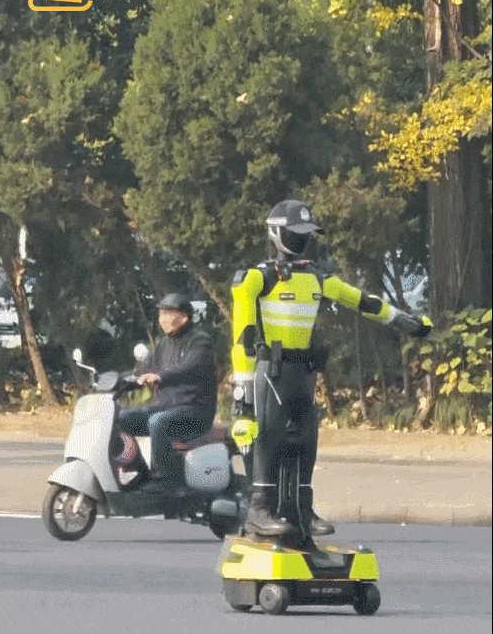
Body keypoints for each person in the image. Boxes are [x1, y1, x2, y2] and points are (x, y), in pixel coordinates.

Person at [230, 199, 432, 540]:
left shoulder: (319, 277)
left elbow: (364, 301)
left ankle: (303, 510)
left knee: (307, 440)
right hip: (270, 371)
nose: (303, 240)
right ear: (276, 233)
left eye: (307, 234)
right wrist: (243, 394)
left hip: (304, 371)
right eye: (296, 233)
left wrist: (406, 322)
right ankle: (259, 509)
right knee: (269, 439)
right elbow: (243, 339)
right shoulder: (257, 278)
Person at [118, 293, 217, 488]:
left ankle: (164, 481)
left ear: (184, 316)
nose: (161, 319)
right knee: (122, 420)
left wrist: (161, 376)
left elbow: (191, 366)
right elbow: (142, 370)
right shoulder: (163, 344)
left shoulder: (199, 341)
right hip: (166, 407)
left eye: (167, 313)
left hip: (194, 412)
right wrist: (119, 381)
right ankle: (139, 473)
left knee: (158, 422)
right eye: (160, 314)